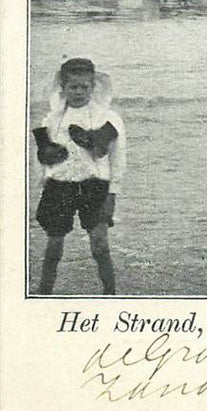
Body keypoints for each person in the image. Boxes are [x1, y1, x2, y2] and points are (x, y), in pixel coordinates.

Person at [33, 57, 125, 294]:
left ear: (93, 86)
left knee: (100, 246)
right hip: (60, 186)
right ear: (63, 87)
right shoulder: (52, 120)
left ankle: (110, 293)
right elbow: (43, 157)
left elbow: (118, 158)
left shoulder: (108, 119)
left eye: (85, 86)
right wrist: (45, 174)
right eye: (73, 86)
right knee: (53, 246)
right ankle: (43, 293)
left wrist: (112, 193)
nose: (79, 91)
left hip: (94, 186)